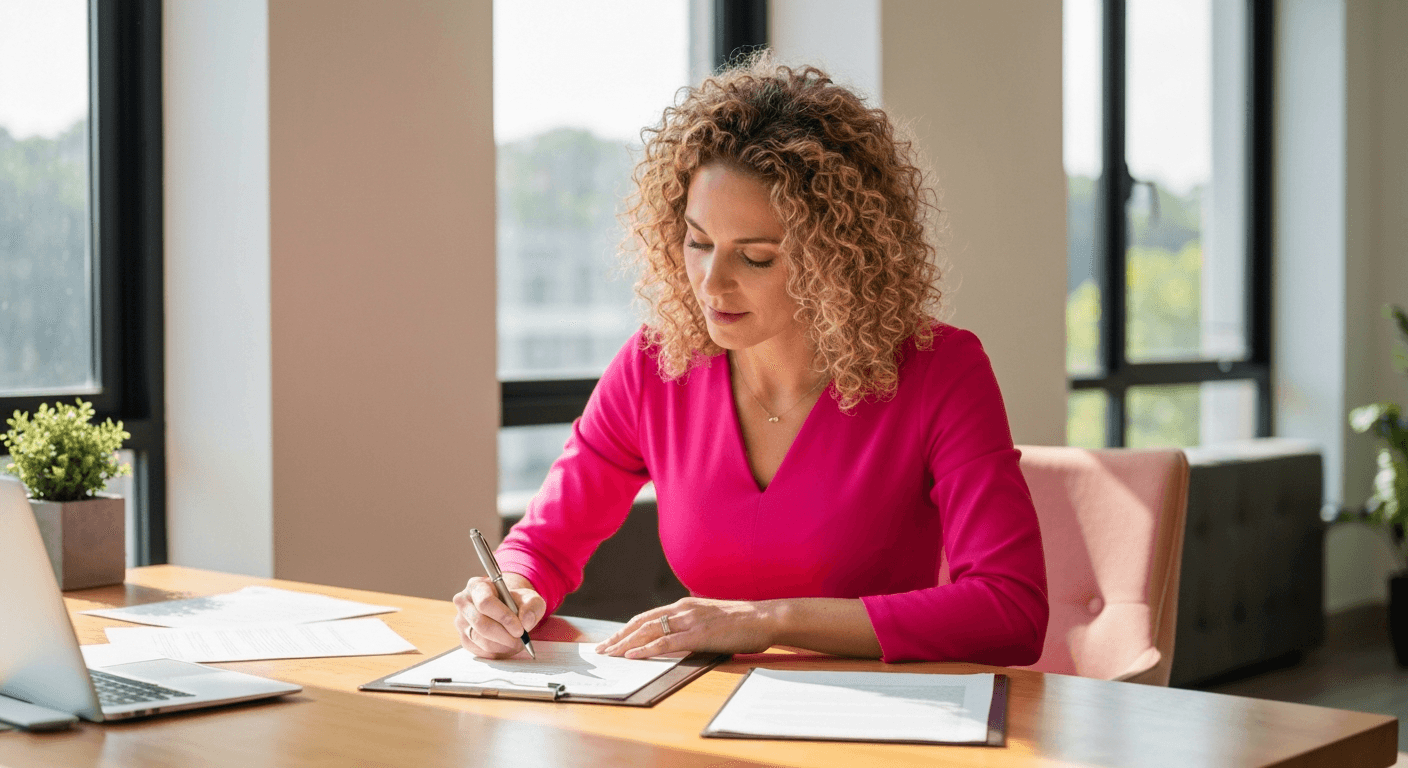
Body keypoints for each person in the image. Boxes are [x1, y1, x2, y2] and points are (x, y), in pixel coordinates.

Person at [453, 56, 1049, 665]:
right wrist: (508, 592)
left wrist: (768, 620)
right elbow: (544, 544)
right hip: (698, 724)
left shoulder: (941, 370)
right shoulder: (655, 365)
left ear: (838, 256)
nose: (711, 285)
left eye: (756, 257)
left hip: (882, 724)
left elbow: (1011, 610)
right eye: (698, 242)